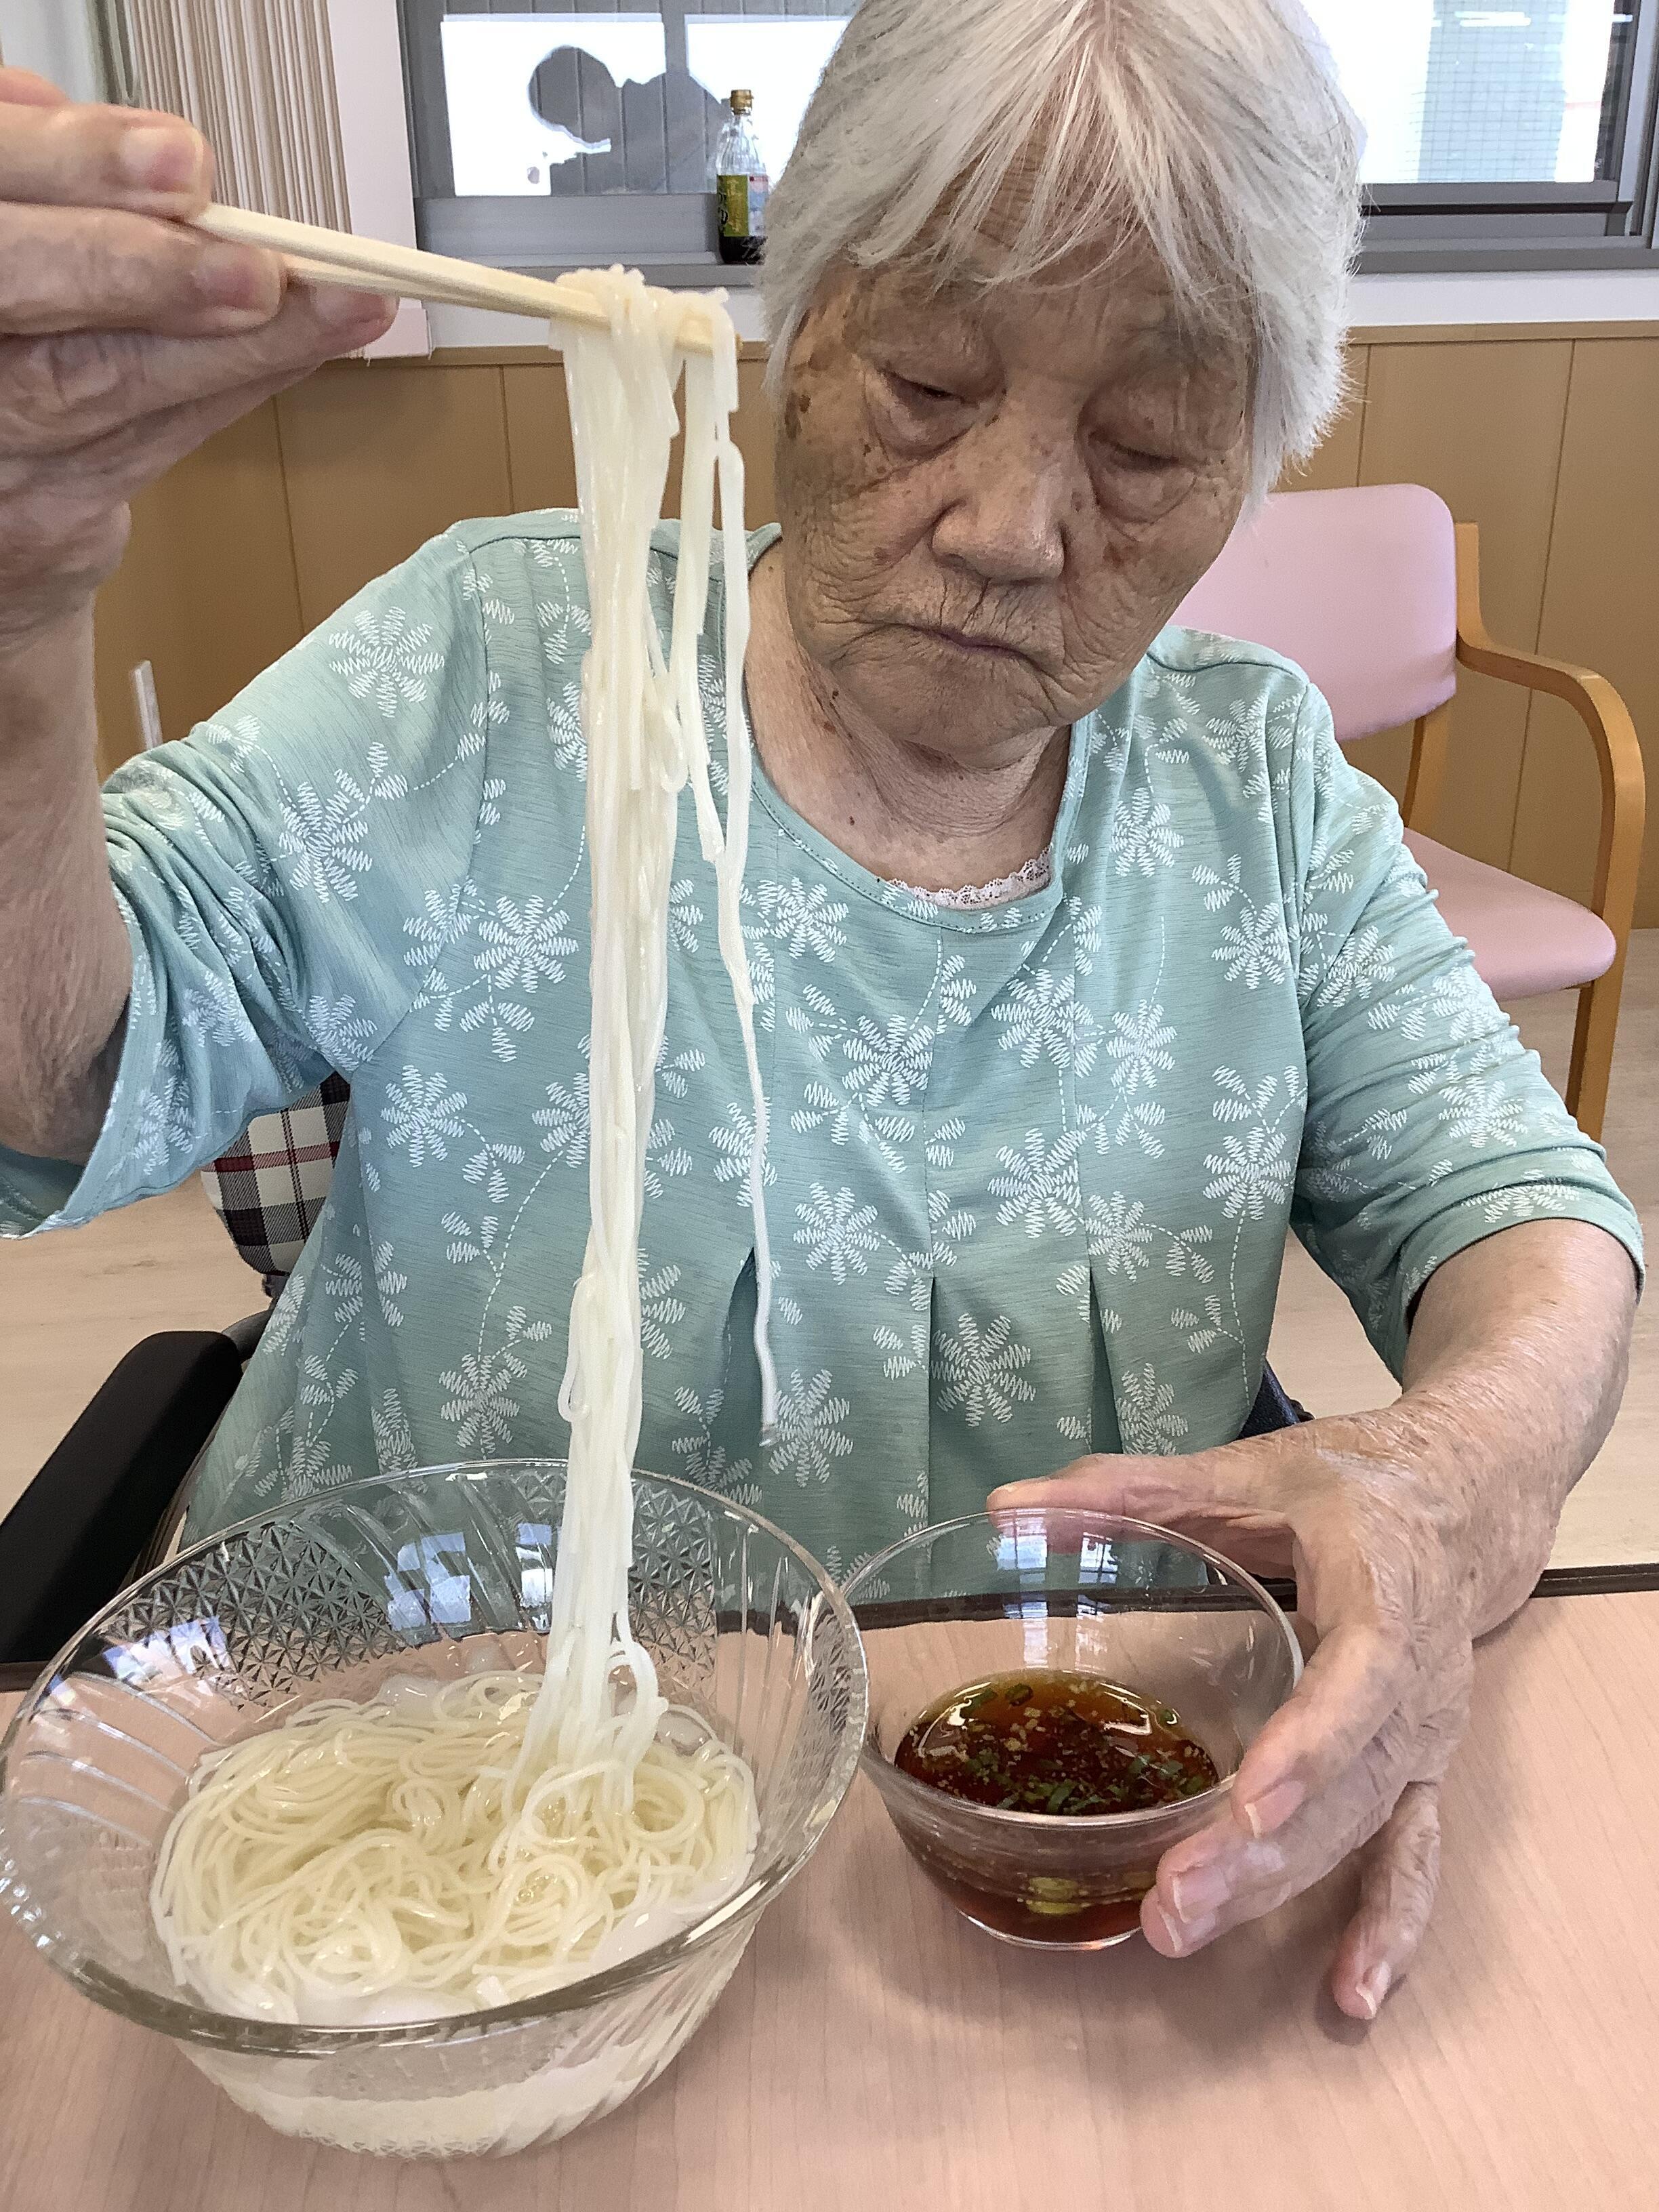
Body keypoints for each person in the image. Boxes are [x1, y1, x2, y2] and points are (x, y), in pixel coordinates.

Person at [0, 0, 1640, 2024]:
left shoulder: (1254, 783)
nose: (1014, 525)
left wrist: (1455, 1470)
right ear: (794, 326)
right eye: (932, 382)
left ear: (1257, 459)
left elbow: (1524, 1211)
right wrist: (16, 611)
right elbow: (60, 1073)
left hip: (1007, 1853)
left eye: (1143, 448)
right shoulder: (500, 666)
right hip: (381, 1792)